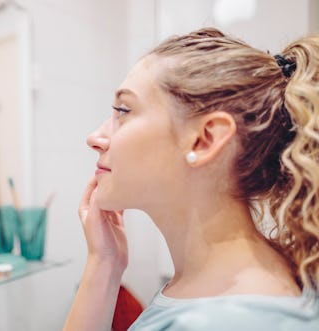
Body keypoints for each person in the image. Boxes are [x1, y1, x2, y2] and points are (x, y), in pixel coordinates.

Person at [63, 27, 319, 330]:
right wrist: (104, 263)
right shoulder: (223, 286)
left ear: (205, 139)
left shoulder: (218, 322)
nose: (95, 138)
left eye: (124, 110)